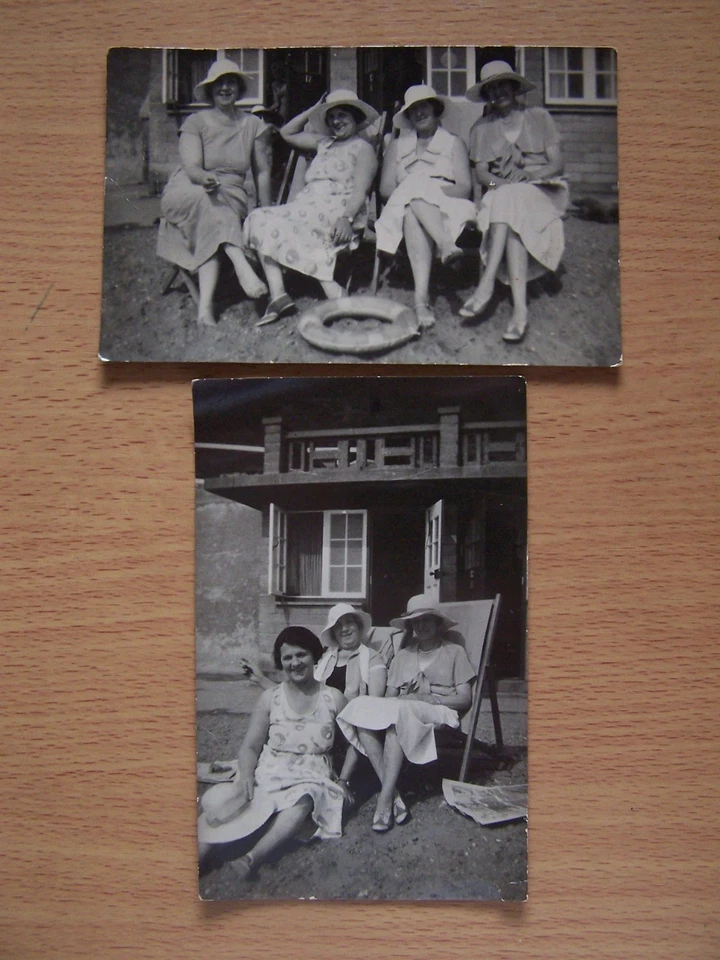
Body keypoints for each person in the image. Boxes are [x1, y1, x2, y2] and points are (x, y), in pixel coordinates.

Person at [198, 627, 350, 881]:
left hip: (310, 775)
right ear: (281, 663)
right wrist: (246, 775)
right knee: (228, 803)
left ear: (315, 656)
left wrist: (344, 780)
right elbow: (250, 747)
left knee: (303, 799)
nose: (295, 663)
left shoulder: (333, 698)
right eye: (287, 658)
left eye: (301, 655)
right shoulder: (271, 698)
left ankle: (252, 858)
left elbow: (354, 744)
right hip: (270, 768)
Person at [338, 594, 475, 832]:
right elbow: (391, 698)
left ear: (437, 622)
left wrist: (431, 697)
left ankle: (384, 799)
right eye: (415, 622)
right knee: (361, 709)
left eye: (426, 620)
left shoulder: (454, 652)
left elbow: (465, 698)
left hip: (441, 710)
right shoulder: (403, 655)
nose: (421, 626)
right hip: (406, 709)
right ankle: (393, 795)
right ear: (410, 626)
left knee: (398, 714)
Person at [243, 90, 379, 326]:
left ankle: (331, 287)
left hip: (339, 209)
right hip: (305, 205)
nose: (336, 121)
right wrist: (314, 108)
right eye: (332, 116)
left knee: (285, 224)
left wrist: (346, 218)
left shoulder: (363, 149)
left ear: (356, 117)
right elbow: (286, 132)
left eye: (343, 114)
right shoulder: (324, 143)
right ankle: (279, 295)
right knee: (258, 217)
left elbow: (360, 191)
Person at [459, 61, 569, 343]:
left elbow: (556, 163)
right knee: (509, 202)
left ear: (515, 87)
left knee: (511, 200)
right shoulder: (482, 128)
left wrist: (531, 176)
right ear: (487, 95)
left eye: (503, 85)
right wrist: (504, 184)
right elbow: (484, 176)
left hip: (542, 188)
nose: (498, 92)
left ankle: (486, 285)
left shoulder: (539, 117)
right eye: (491, 88)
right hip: (503, 190)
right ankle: (520, 311)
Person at [157, 59, 271, 327]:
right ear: (210, 90)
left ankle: (205, 308)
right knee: (205, 201)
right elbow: (192, 166)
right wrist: (203, 178)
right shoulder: (195, 121)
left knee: (213, 212)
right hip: (190, 187)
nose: (225, 88)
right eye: (219, 83)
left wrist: (265, 209)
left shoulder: (252, 124)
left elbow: (263, 171)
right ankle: (239, 262)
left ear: (239, 88)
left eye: (231, 82)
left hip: (230, 194)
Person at [239, 603, 389, 796]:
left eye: (350, 622)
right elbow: (299, 696)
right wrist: (261, 679)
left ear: (359, 626)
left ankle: (380, 790)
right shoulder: (326, 658)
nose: (344, 629)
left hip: (352, 728)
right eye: (338, 625)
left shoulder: (373, 658)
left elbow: (373, 705)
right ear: (333, 632)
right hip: (323, 726)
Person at [375, 85, 476, 330]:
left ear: (435, 109)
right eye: (413, 110)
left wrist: (428, 191)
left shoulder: (453, 143)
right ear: (408, 117)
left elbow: (464, 187)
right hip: (402, 203)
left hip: (448, 205)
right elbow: (386, 189)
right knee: (412, 202)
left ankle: (421, 301)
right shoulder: (398, 146)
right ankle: (445, 246)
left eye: (424, 107)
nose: (419, 113)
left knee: (415, 204)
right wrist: (416, 188)